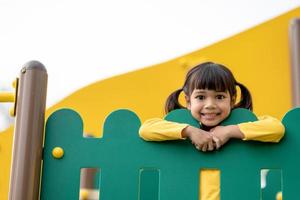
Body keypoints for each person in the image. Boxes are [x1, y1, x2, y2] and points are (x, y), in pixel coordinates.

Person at [139, 62, 285, 200]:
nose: (210, 105)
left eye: (220, 97)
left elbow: (276, 128)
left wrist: (229, 131)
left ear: (232, 100)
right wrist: (189, 131)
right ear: (188, 101)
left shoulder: (241, 124)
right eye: (201, 97)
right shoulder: (180, 126)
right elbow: (146, 129)